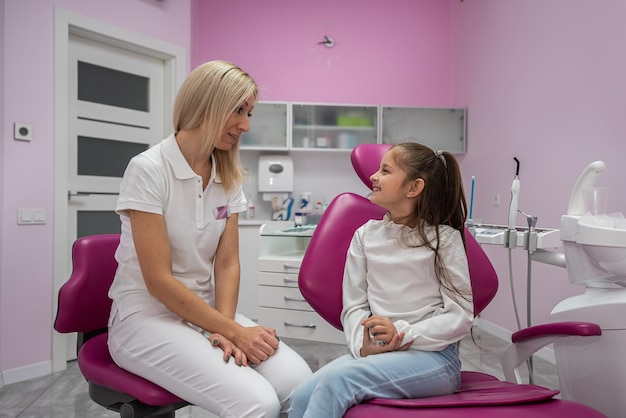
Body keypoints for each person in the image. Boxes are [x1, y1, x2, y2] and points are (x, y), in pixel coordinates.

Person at [107, 60, 312, 418]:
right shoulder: (149, 169)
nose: (245, 125)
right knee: (257, 403)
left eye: (249, 112)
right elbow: (158, 281)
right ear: (207, 102)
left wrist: (227, 326)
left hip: (206, 315)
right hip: (146, 318)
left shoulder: (228, 175)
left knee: (301, 385)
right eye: (238, 110)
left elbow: (228, 261)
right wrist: (230, 329)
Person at [288, 143, 474, 418]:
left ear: (414, 188)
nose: (374, 176)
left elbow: (460, 316)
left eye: (385, 171)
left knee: (337, 381)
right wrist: (362, 348)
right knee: (301, 395)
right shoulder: (366, 236)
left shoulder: (443, 240)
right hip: (378, 353)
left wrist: (400, 334)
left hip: (434, 359)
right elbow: (353, 307)